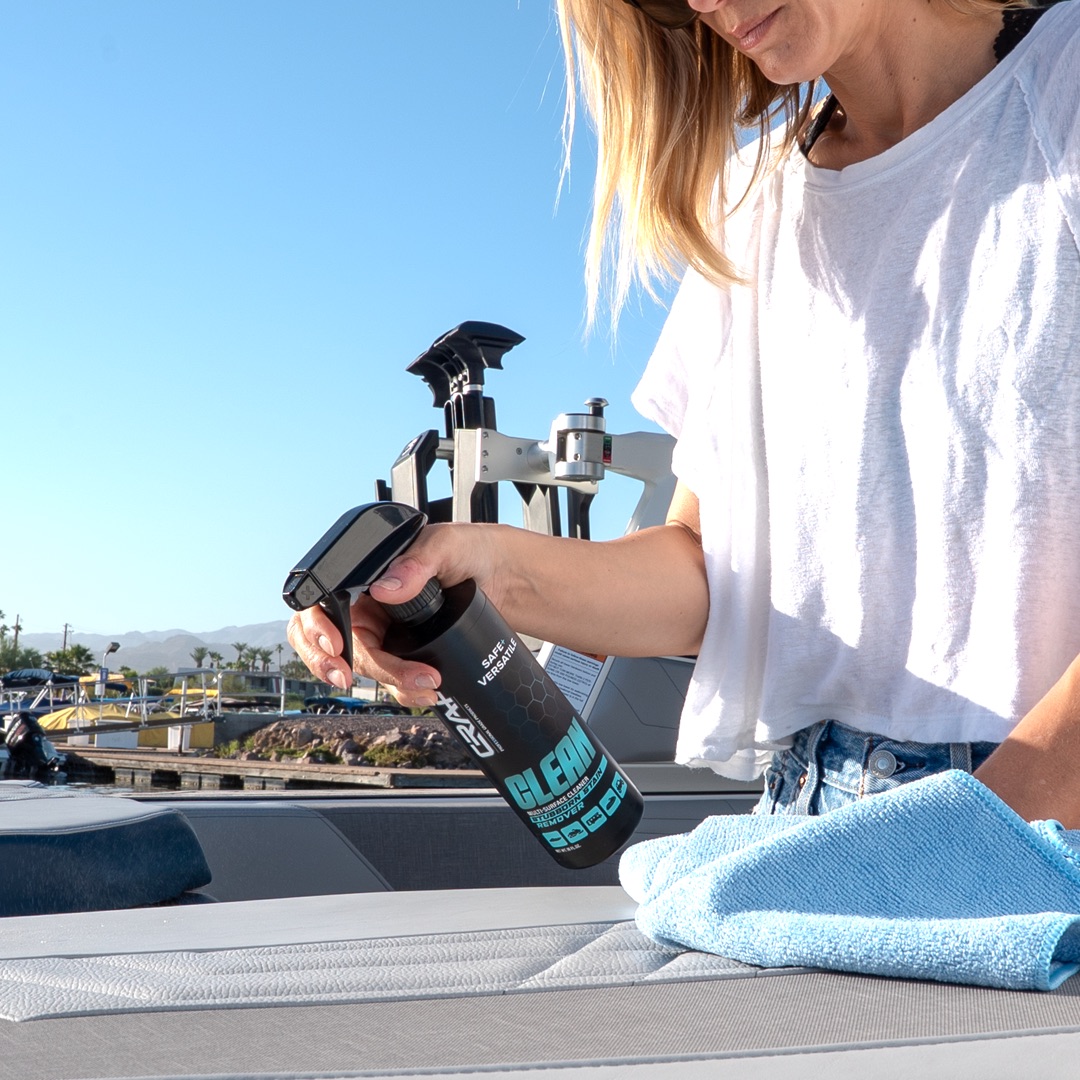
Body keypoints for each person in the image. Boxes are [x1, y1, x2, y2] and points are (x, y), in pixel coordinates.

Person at [289, 0, 1080, 825]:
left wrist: (968, 845)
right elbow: (708, 576)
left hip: (1038, 819)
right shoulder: (749, 206)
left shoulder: (1064, 91)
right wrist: (466, 569)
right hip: (809, 801)